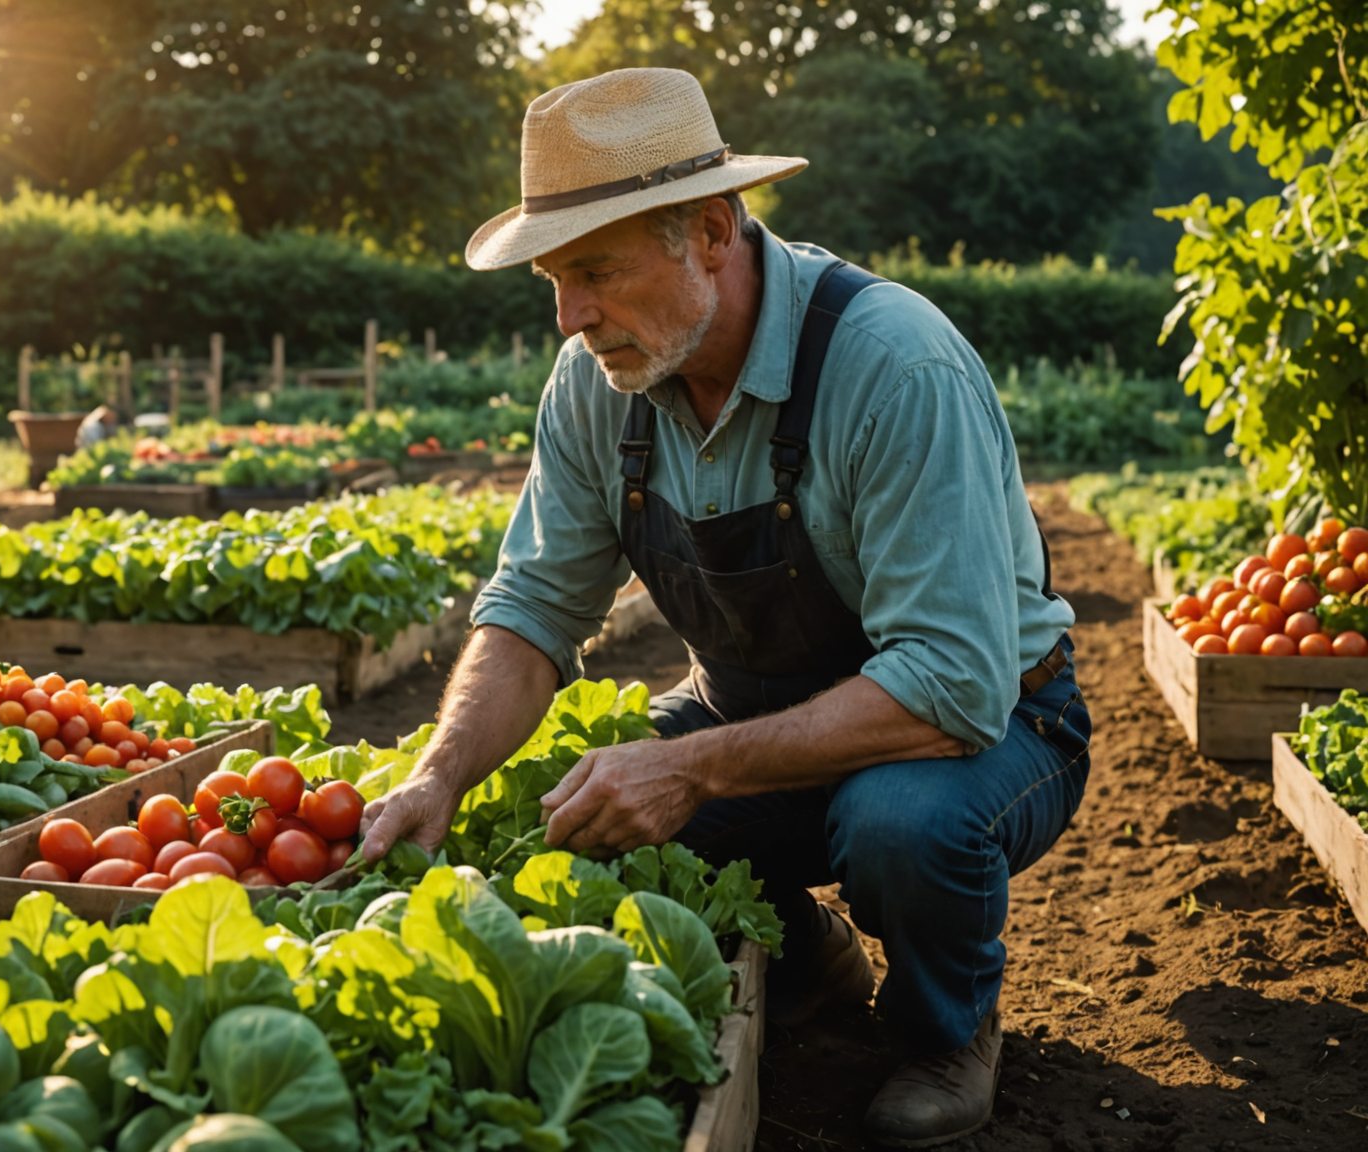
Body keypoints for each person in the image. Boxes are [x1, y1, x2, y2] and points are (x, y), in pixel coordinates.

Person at [357, 68, 1089, 1148]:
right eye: (554, 279)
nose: (570, 315)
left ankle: (946, 1031)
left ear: (709, 231)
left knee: (899, 822)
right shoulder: (595, 384)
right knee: (576, 818)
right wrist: (439, 772)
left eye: (596, 271)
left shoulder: (895, 367)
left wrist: (692, 768)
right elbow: (534, 606)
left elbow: (951, 683)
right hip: (754, 711)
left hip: (986, 728)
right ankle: (807, 956)